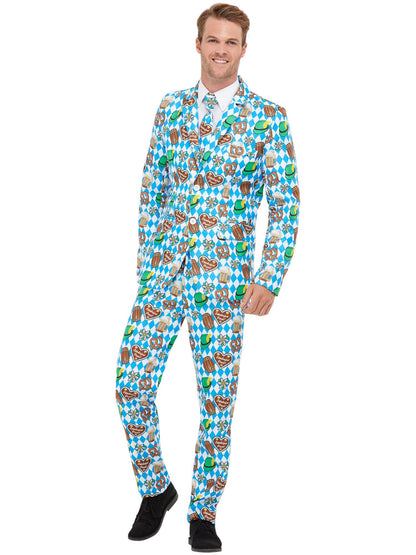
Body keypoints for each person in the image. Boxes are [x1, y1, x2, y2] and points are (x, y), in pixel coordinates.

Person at [115, 3, 300, 552]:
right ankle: (156, 488)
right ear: (197, 43)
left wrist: (269, 276)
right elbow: (151, 188)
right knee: (130, 385)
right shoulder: (170, 108)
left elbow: (285, 205)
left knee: (217, 403)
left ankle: (203, 512)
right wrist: (148, 263)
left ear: (243, 49)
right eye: (213, 40)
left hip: (223, 282)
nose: (221, 50)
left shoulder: (268, 116)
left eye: (231, 42)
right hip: (162, 275)